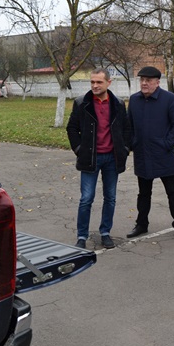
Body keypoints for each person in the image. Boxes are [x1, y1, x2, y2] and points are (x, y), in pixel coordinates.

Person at [66, 69, 130, 249]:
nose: (95, 85)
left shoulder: (118, 103)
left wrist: (124, 149)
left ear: (108, 83)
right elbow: (72, 128)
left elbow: (126, 128)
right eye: (92, 82)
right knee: (86, 198)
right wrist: (79, 149)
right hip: (90, 158)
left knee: (110, 197)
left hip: (112, 158)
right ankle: (82, 236)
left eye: (99, 82)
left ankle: (105, 233)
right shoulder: (81, 103)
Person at [127, 66, 174, 240]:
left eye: (148, 80)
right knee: (143, 193)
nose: (144, 83)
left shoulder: (169, 99)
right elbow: (128, 126)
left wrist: (167, 143)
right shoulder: (134, 100)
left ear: (157, 82)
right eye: (142, 80)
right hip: (142, 154)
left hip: (163, 154)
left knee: (172, 192)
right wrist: (133, 143)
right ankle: (141, 224)